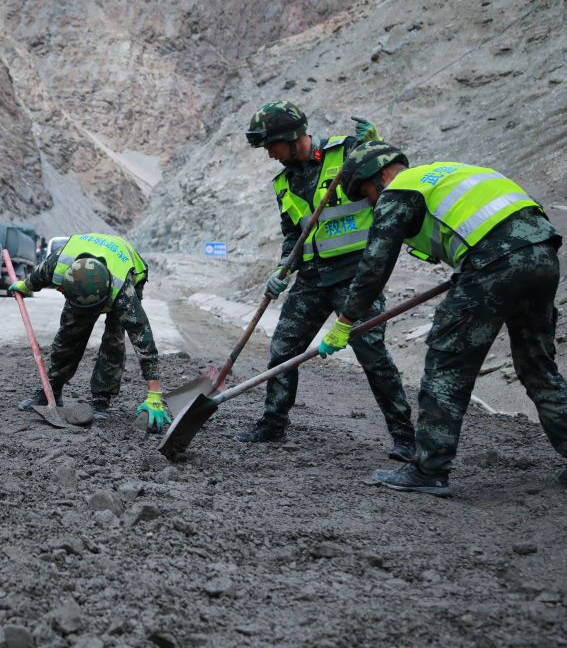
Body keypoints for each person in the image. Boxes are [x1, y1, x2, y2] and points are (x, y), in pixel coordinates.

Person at [319, 141, 567, 495]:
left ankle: (428, 469)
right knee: (538, 367)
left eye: (366, 194)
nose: (371, 203)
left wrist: (345, 321)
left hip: (491, 263)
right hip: (543, 255)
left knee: (446, 368)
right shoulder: (451, 173)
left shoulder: (401, 189)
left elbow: (374, 266)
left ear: (382, 175)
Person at [236, 101, 415, 460]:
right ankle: (273, 423)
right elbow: (293, 234)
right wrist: (281, 269)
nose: (269, 154)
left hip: (355, 275)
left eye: (272, 145)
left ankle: (405, 437)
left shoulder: (345, 152)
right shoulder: (283, 183)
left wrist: (376, 144)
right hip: (312, 279)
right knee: (283, 349)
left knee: (372, 354)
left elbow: (389, 177)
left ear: (291, 136)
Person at [10, 233, 168, 431]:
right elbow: (39, 275)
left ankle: (101, 400)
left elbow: (143, 339)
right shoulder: (59, 261)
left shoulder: (123, 292)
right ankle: (51, 390)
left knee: (114, 340)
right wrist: (25, 286)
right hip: (83, 287)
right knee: (69, 334)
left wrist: (154, 395)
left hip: (128, 273)